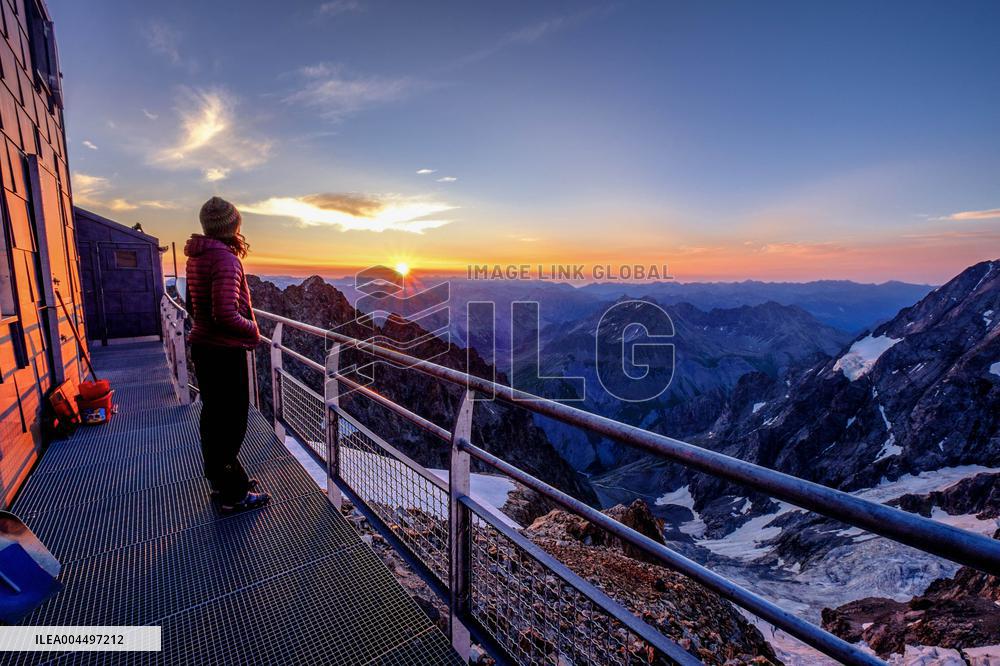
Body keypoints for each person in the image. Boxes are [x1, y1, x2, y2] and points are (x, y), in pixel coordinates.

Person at [184, 197, 270, 513]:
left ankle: (224, 480)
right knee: (232, 422)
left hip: (204, 347)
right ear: (232, 226)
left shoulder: (197, 257)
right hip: (223, 352)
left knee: (214, 417)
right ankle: (233, 494)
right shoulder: (226, 261)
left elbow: (194, 307)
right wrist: (254, 332)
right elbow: (225, 314)